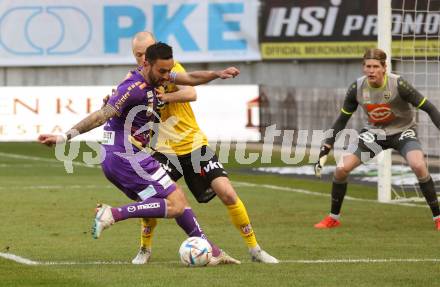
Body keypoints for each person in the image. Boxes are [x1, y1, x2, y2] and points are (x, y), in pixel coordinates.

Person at [38, 42, 241, 265]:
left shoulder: (159, 76)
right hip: (125, 156)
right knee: (176, 204)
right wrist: (64, 137)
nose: (167, 76)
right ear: (146, 63)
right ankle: (112, 214)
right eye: (162, 71)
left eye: (169, 70)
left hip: (121, 157)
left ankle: (212, 251)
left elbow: (191, 78)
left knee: (175, 200)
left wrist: (217, 74)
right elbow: (102, 114)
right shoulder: (133, 88)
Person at [128, 32, 278, 265]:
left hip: (194, 144)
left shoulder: (169, 69)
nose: (142, 58)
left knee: (227, 193)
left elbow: (191, 91)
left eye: (145, 53)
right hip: (164, 150)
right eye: (138, 54)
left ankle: (255, 249)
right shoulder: (135, 80)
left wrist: (165, 98)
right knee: (150, 198)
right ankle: (144, 249)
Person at [314, 48, 440, 230]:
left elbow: (430, 108)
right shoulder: (356, 88)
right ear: (363, 68)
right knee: (341, 169)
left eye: (375, 66)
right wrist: (326, 148)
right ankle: (333, 218)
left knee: (419, 165)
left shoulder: (399, 84)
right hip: (374, 134)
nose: (371, 70)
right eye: (367, 66)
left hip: (403, 131)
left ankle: (438, 217)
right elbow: (342, 119)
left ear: (384, 67)